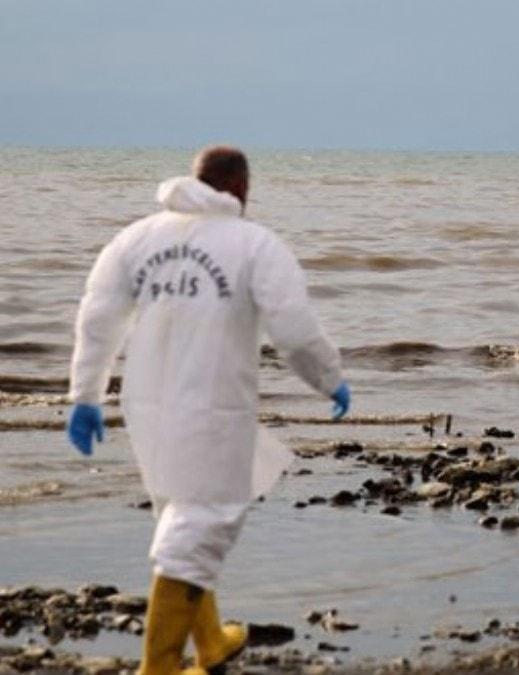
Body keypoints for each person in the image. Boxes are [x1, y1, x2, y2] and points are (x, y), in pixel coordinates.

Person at [66, 146, 351, 675]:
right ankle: (159, 668)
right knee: (202, 523)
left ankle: (213, 642)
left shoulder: (135, 238)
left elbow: (97, 318)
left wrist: (85, 396)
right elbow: (292, 326)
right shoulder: (253, 244)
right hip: (214, 407)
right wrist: (329, 379)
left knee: (180, 515)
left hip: (147, 406)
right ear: (242, 188)